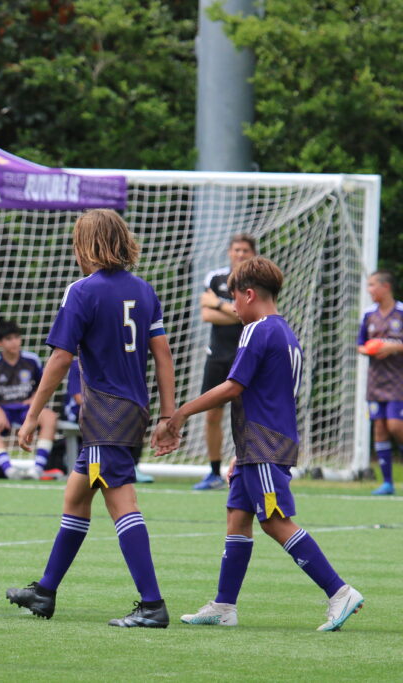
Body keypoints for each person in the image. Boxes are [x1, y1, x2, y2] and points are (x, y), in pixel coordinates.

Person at [164, 257, 365, 631]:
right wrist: (240, 454)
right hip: (257, 445)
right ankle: (224, 606)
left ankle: (340, 592)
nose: (234, 307)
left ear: (249, 294)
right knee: (237, 518)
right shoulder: (284, 332)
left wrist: (179, 413)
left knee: (274, 522)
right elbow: (264, 394)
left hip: (265, 445)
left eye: (235, 298)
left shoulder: (257, 330)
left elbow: (233, 387)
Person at [5, 209, 175, 628]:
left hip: (105, 414)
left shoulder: (81, 291)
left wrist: (31, 417)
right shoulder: (144, 290)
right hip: (132, 409)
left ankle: (152, 604)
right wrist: (168, 414)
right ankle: (45, 591)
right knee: (76, 496)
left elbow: (61, 358)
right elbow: (163, 355)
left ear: (87, 245)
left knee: (122, 503)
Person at [193, 234, 257, 490]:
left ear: (253, 254)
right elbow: (206, 315)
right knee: (212, 416)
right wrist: (233, 311)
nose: (240, 254)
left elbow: (252, 316)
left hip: (246, 356)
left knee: (248, 416)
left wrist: (219, 304)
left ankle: (247, 470)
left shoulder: (258, 281)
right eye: (236, 250)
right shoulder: (215, 278)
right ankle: (213, 472)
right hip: (217, 356)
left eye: (245, 250)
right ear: (229, 252)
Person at [0, 319, 57, 479]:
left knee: (50, 417)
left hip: (26, 410)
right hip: (4, 411)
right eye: (9, 339)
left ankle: (37, 468)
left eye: (16, 337)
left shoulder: (32, 360)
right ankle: (8, 469)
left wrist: (34, 399)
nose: (14, 342)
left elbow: (44, 385)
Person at [357, 270, 403, 495]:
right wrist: (370, 349)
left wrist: (393, 347)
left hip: (399, 380)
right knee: (380, 429)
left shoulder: (401, 312)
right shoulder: (368, 314)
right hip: (375, 381)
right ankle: (387, 483)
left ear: (386, 287)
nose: (369, 290)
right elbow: (360, 344)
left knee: (396, 425)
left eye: (373, 285)